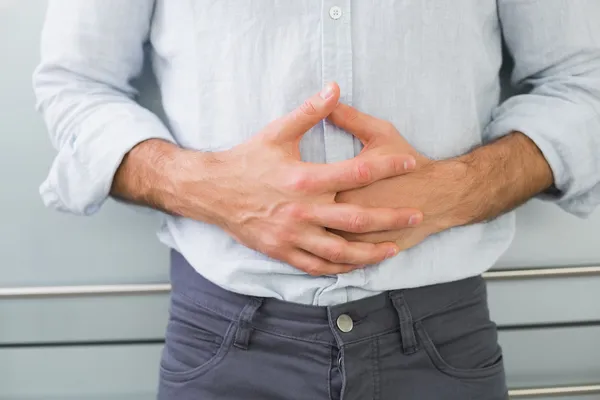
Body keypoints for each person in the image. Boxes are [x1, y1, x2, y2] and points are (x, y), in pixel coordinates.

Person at [33, 1, 600, 399]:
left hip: (439, 332)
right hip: (225, 333)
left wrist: (453, 192)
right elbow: (78, 85)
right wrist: (215, 190)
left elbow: (583, 82)